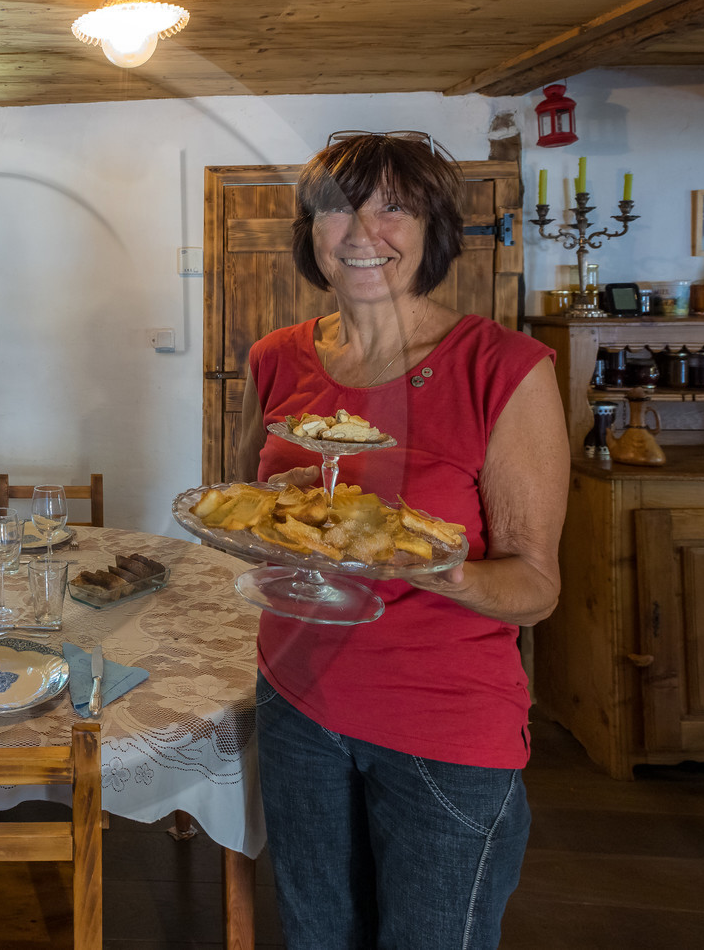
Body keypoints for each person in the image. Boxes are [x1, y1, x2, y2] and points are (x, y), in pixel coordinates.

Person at [234, 131, 569, 949]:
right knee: (317, 936)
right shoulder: (277, 358)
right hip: (296, 701)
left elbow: (536, 586)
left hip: (444, 727)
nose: (361, 231)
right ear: (310, 233)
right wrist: (272, 522)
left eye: (393, 207)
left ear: (434, 229)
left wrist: (441, 570)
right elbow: (249, 510)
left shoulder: (504, 367)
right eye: (337, 208)